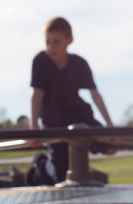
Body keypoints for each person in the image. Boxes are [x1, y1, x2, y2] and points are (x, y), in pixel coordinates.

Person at [28, 16, 115, 185]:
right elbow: (36, 95)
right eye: (47, 42)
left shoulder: (80, 63)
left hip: (79, 116)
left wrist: (110, 126)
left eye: (56, 42)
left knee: (110, 145)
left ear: (70, 40)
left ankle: (96, 144)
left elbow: (95, 94)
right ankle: (41, 165)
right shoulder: (40, 61)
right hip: (54, 121)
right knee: (61, 175)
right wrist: (34, 128)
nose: (51, 47)